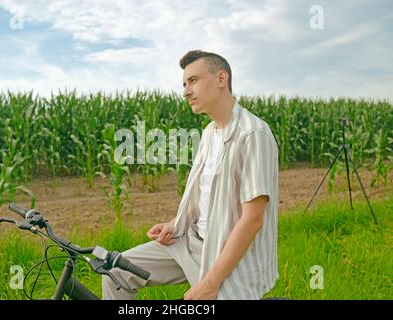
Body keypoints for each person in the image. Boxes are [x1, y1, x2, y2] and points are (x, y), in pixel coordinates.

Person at [102, 50, 279, 300]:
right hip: (190, 241)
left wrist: (211, 283)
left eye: (193, 81)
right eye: (184, 84)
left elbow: (253, 220)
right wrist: (176, 224)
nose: (185, 91)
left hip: (227, 254)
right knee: (114, 271)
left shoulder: (253, 135)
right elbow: (205, 198)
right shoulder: (209, 133)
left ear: (221, 79)